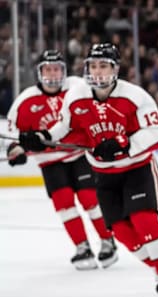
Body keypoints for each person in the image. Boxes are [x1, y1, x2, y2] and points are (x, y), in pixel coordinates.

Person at [19, 43, 158, 297]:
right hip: (104, 175)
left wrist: (124, 145)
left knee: (143, 220)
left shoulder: (135, 96)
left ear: (115, 69)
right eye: (93, 65)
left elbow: (157, 132)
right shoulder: (76, 95)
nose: (97, 71)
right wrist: (43, 137)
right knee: (121, 231)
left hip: (137, 169)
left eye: (103, 65)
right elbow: (64, 126)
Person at [6, 50, 118, 270]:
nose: (53, 73)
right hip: (50, 162)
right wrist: (15, 150)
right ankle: (82, 246)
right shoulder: (26, 100)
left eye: (56, 68)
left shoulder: (77, 88)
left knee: (89, 199)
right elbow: (12, 133)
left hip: (78, 155)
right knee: (64, 203)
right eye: (48, 68)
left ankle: (107, 240)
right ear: (40, 72)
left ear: (64, 71)